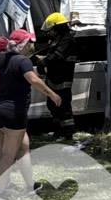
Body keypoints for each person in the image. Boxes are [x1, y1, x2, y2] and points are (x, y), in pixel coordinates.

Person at [0, 28, 61, 192]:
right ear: (24, 45)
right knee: (9, 155)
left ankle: (30, 185)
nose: (31, 44)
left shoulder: (1, 58)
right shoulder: (23, 61)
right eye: (29, 42)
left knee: (23, 146)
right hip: (14, 112)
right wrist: (52, 94)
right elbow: (33, 79)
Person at [33, 12, 79, 141]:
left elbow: (58, 57)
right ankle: (59, 130)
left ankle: (68, 134)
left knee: (63, 107)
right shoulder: (58, 38)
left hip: (63, 79)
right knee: (53, 105)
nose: (50, 32)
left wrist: (43, 60)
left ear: (57, 26)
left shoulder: (67, 39)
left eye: (52, 28)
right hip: (54, 77)